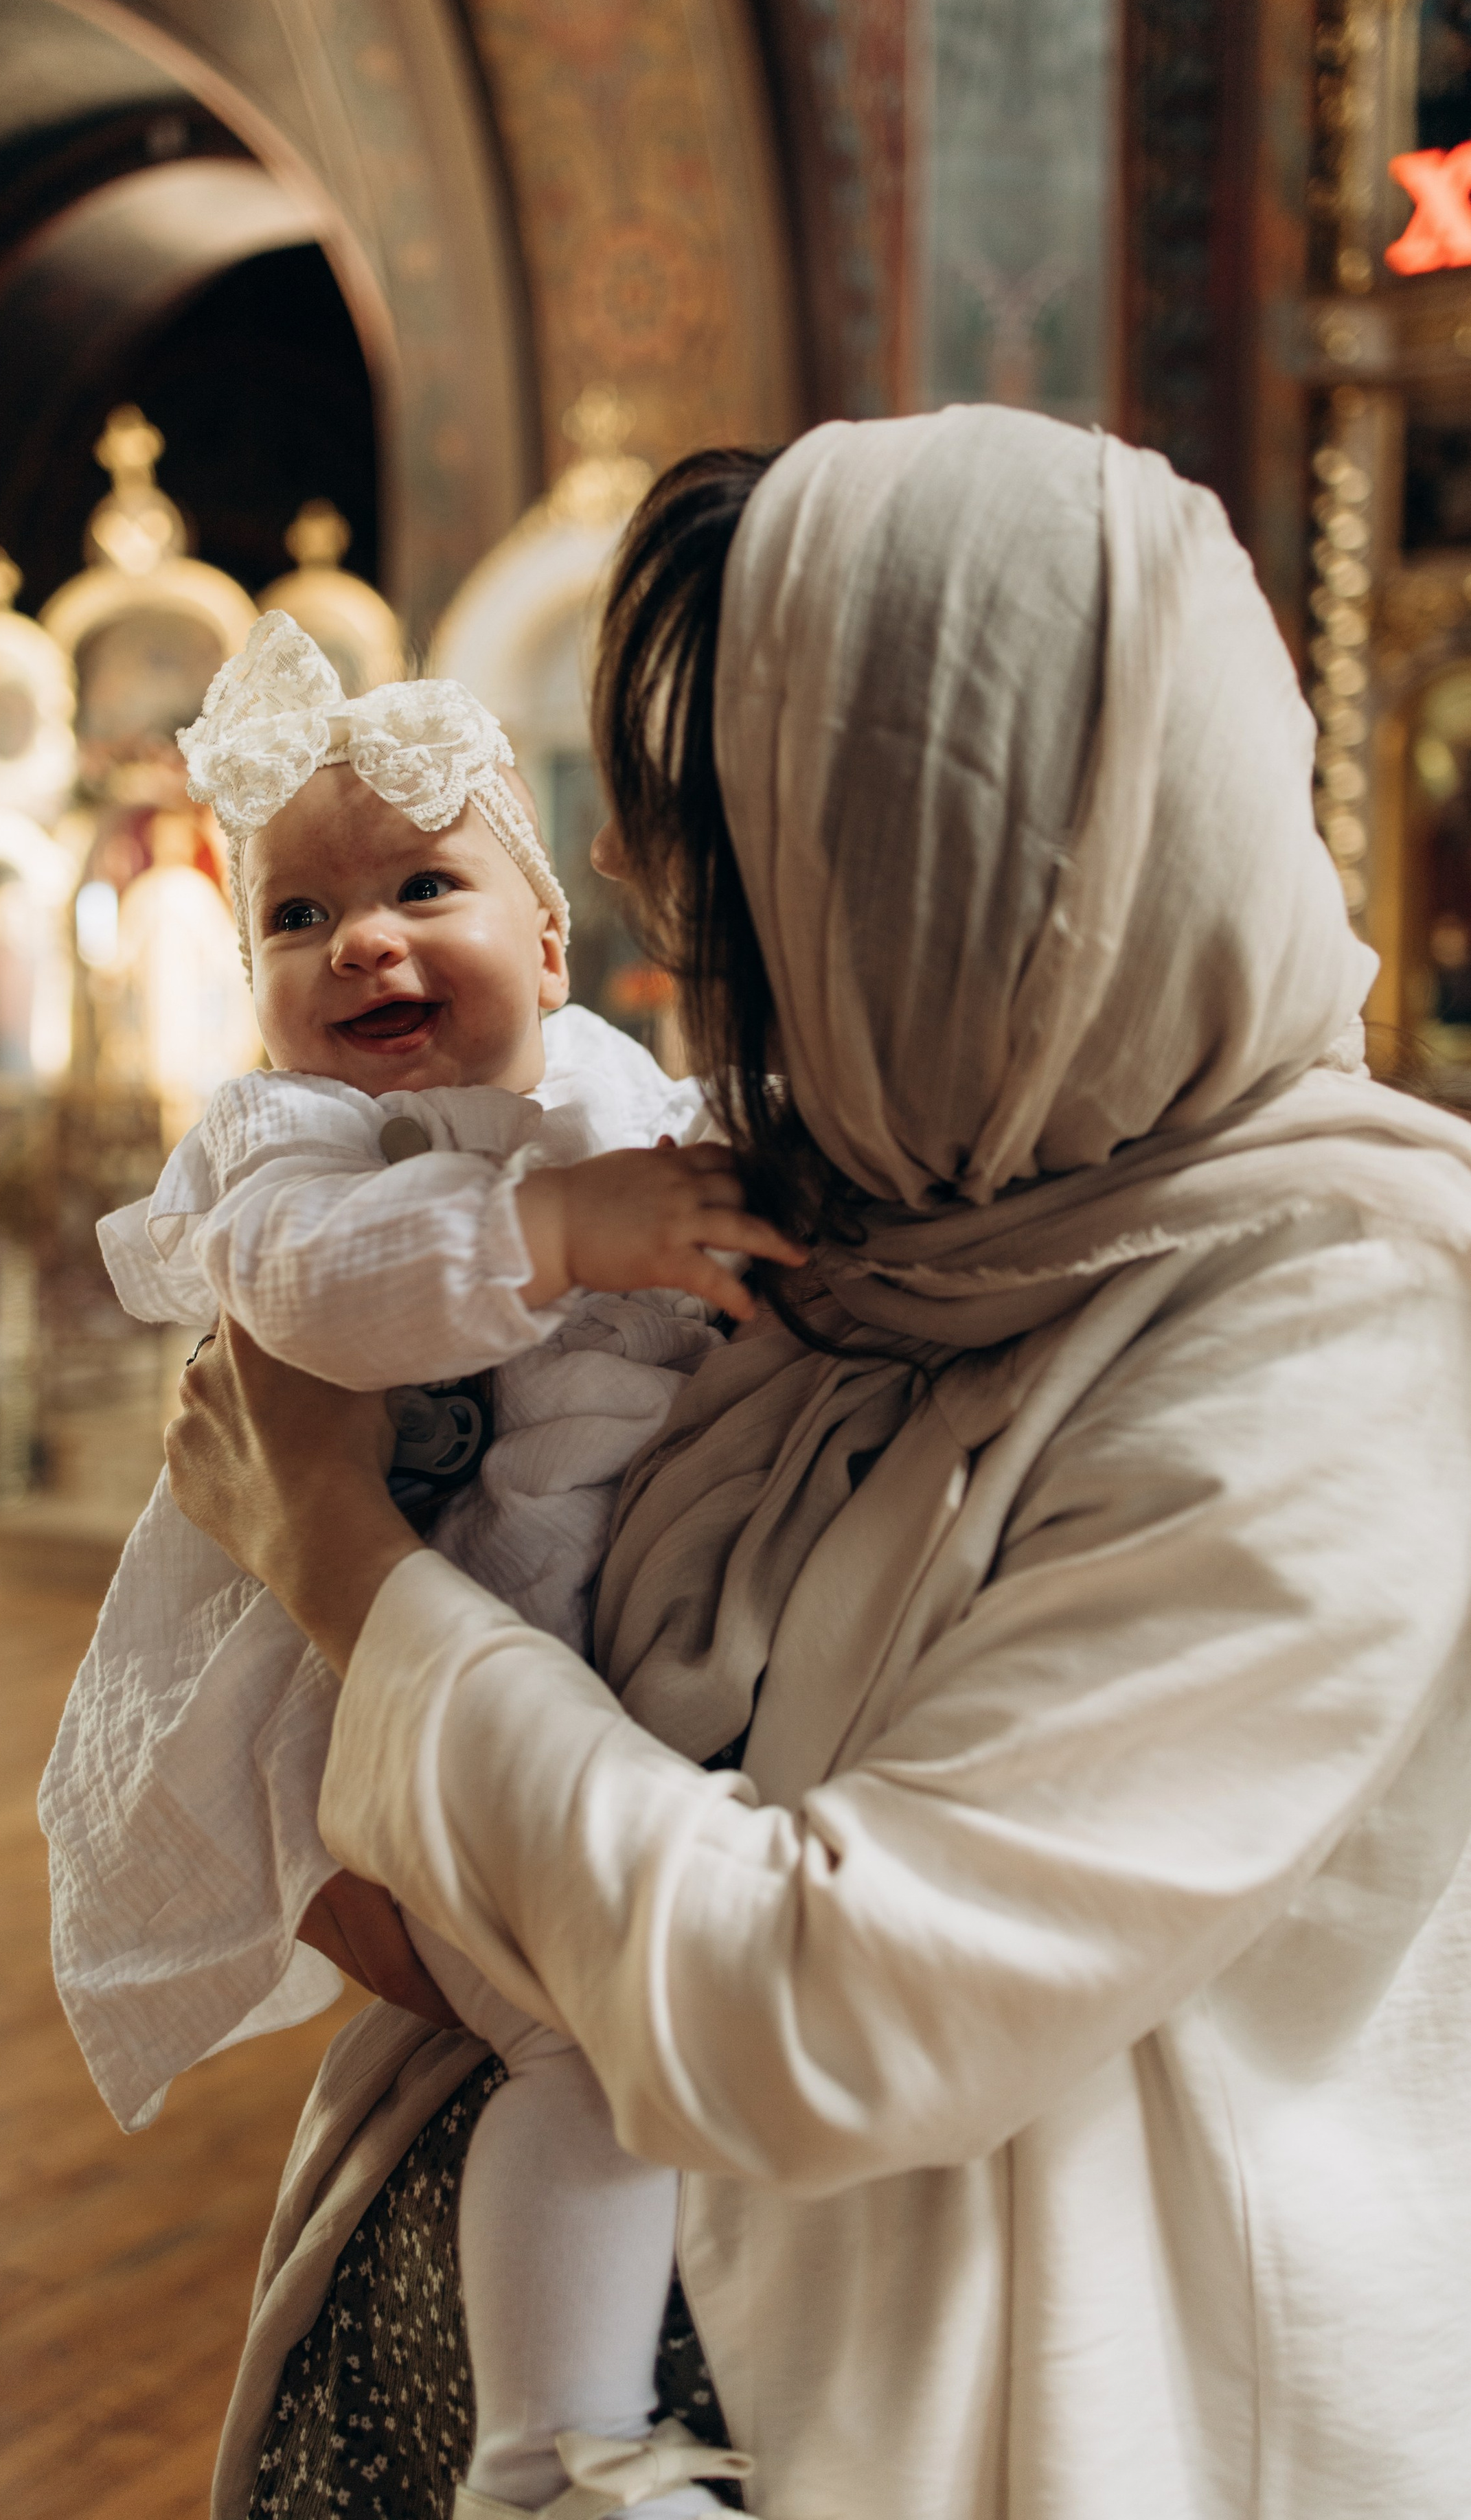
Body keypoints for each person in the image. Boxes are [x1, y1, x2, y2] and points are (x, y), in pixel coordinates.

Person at [168, 409, 1471, 2520]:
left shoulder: (1345, 1319)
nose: (630, 885)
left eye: (731, 835)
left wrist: (340, 1562)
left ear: (981, 877)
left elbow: (810, 2004)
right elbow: (549, 1851)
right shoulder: (883, 1203)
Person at [39, 610, 790, 2518]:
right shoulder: (298, 1154)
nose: (362, 941)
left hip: (552, 1644)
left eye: (424, 887)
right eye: (297, 921)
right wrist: (556, 1234)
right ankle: (555, 2450)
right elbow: (326, 1301)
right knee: (592, 2041)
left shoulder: (618, 1093)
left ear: (551, 942)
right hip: (359, 1692)